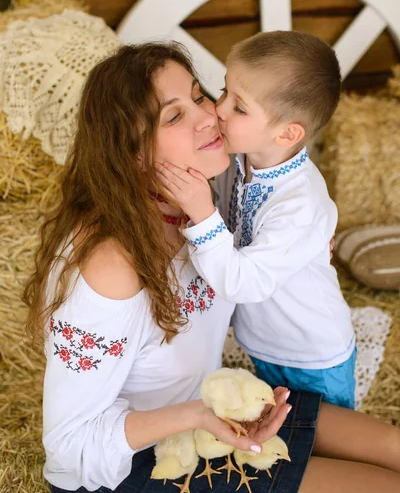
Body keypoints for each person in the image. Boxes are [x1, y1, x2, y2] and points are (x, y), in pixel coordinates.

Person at [23, 42, 400, 493]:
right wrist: (197, 415)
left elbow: (282, 181)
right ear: (133, 153)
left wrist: (309, 242)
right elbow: (71, 445)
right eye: (174, 116)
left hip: (209, 408)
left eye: (201, 95)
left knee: (394, 449)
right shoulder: (110, 267)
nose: (211, 116)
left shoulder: (206, 198)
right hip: (137, 462)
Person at [157, 31, 356, 409]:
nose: (218, 110)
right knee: (280, 433)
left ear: (287, 133)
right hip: (265, 344)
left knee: (324, 442)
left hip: (312, 353)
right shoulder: (240, 161)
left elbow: (243, 283)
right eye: (224, 92)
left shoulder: (300, 203)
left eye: (240, 108)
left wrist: (201, 214)